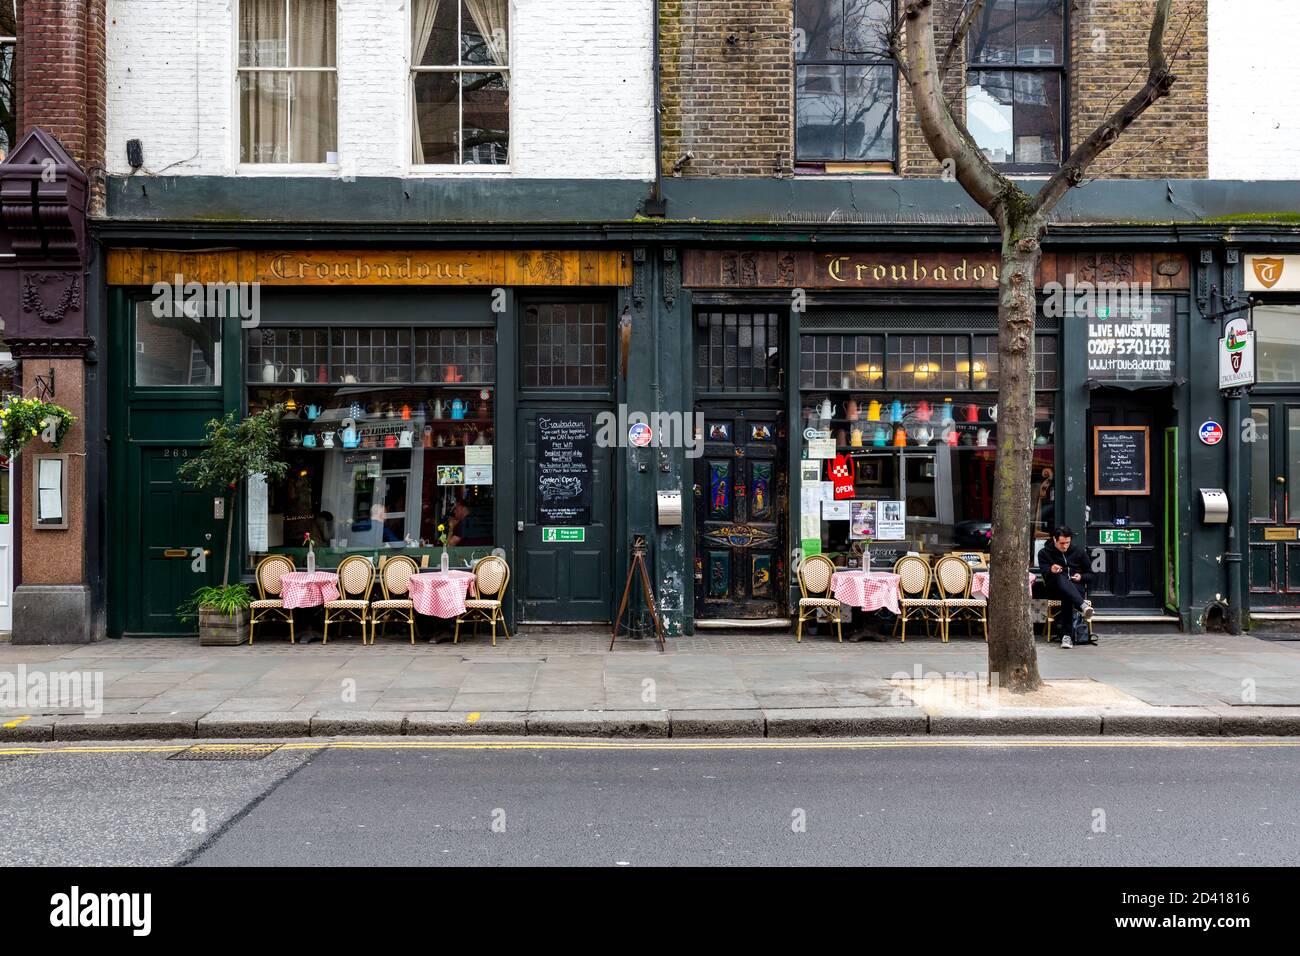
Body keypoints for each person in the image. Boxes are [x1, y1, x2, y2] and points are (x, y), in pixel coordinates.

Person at [1037, 525, 1094, 648]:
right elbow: (1045, 575)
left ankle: (1066, 637)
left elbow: (1091, 575)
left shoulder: (1078, 551)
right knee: (1059, 577)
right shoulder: (1044, 553)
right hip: (1054, 588)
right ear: (1054, 539)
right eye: (1062, 543)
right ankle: (1083, 606)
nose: (1065, 546)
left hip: (1075, 588)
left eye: (1067, 543)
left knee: (1067, 595)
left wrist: (1081, 577)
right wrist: (1051, 570)